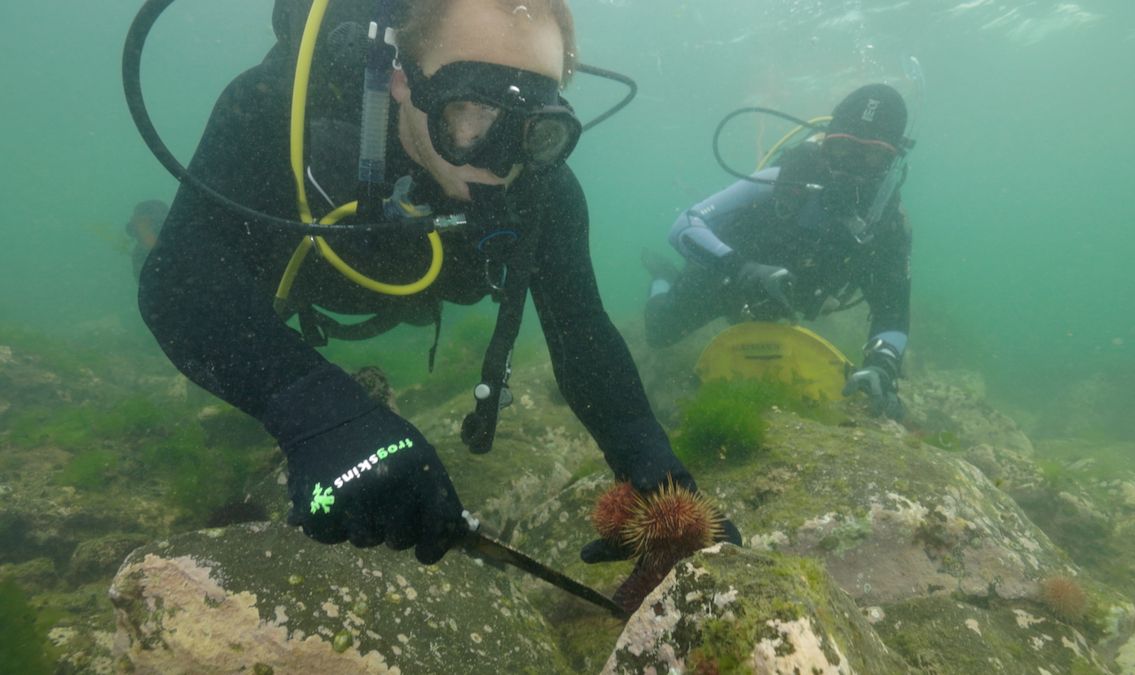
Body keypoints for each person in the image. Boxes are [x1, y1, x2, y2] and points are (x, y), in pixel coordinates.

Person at [137, 0, 740, 566]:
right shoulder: (276, 116)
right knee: (167, 248)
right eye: (470, 110)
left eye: (533, 123)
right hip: (293, 273)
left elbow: (581, 331)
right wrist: (319, 412)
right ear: (403, 80)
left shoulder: (541, 189)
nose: (501, 160)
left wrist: (659, 480)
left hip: (389, 281)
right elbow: (179, 285)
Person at [643, 84, 913, 421]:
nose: (852, 168)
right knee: (658, 330)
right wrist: (741, 268)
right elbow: (685, 225)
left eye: (872, 157)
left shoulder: (888, 226)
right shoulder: (784, 178)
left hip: (790, 301)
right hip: (727, 280)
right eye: (843, 150)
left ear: (891, 162)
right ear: (827, 142)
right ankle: (662, 278)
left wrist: (882, 365)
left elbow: (893, 311)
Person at [126, 199, 167, 279]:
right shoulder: (139, 253)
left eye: (141, 222)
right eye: (134, 222)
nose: (137, 228)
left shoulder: (183, 248)